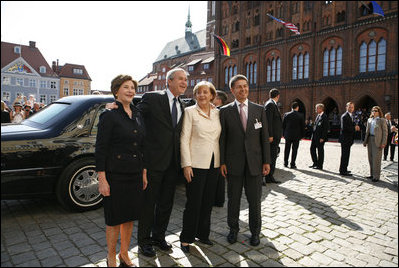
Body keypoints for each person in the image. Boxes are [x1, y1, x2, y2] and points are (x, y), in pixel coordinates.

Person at [95, 74, 146, 267]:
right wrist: (102, 179)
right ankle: (111, 256)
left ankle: (124, 254)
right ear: (116, 90)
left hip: (134, 173)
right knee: (114, 218)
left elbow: (141, 146)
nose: (130, 91)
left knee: (130, 216)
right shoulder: (109, 115)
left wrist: (144, 172)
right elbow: (101, 149)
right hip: (115, 175)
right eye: (126, 87)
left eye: (132, 87)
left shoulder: (138, 114)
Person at [137, 68, 188, 257]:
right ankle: (144, 241)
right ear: (169, 81)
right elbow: (136, 115)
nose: (184, 83)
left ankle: (159, 237)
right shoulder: (153, 98)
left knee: (166, 204)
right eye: (181, 79)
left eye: (185, 80)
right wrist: (118, 107)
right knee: (148, 203)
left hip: (173, 164)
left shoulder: (182, 105)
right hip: (153, 162)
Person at [219, 74, 270, 247]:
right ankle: (233, 230)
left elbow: (264, 138)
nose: (243, 89)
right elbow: (222, 139)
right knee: (233, 200)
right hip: (233, 165)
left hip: (255, 164)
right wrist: (222, 162)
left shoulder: (259, 110)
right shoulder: (224, 112)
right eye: (239, 87)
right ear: (232, 90)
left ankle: (255, 232)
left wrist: (267, 161)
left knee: (255, 201)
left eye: (245, 86)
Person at [179, 81, 221, 253]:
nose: (202, 95)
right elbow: (184, 139)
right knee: (194, 203)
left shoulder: (218, 113)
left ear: (212, 95)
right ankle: (186, 238)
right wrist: (186, 164)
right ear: (195, 95)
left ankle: (203, 234)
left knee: (207, 202)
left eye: (205, 92)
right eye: (198, 92)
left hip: (214, 163)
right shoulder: (189, 112)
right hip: (195, 164)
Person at [363, 106, 387, 182]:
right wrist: (365, 141)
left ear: (379, 112)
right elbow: (367, 131)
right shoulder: (369, 120)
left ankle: (376, 176)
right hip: (370, 139)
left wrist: (383, 142)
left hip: (378, 141)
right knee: (370, 158)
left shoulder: (381, 120)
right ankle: (372, 174)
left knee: (376, 159)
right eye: (372, 111)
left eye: (375, 110)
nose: (374, 112)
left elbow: (385, 132)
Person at [213, 90, 228, 208]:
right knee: (220, 176)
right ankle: (219, 199)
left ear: (218, 99)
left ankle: (217, 199)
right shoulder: (226, 110)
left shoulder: (218, 111)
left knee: (217, 175)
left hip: (217, 146)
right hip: (223, 147)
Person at [264, 88, 282, 184]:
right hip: (272, 137)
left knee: (273, 156)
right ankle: (268, 176)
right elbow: (268, 121)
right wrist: (270, 135)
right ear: (278, 96)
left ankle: (270, 176)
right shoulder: (270, 104)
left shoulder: (272, 104)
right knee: (271, 157)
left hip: (275, 137)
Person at [339, 102, 360, 176]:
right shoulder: (344, 116)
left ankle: (345, 169)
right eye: (349, 107)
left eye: (352, 107)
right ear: (346, 107)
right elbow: (344, 128)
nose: (351, 108)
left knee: (347, 155)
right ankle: (342, 170)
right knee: (344, 155)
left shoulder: (352, 115)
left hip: (349, 139)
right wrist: (354, 128)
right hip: (345, 139)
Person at [282, 102, 305, 169]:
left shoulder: (286, 114)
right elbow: (302, 127)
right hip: (297, 136)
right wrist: (302, 136)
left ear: (291, 107)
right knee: (294, 150)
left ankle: (285, 163)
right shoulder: (300, 115)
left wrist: (284, 134)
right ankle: (292, 164)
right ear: (297, 107)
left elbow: (283, 125)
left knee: (287, 149)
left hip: (288, 135)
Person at [309, 103, 329, 170]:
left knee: (320, 151)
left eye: (317, 108)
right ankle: (315, 162)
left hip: (320, 138)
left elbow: (325, 128)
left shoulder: (324, 117)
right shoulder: (318, 116)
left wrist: (322, 137)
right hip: (314, 136)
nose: (315, 109)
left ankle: (320, 165)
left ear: (321, 109)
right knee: (312, 149)